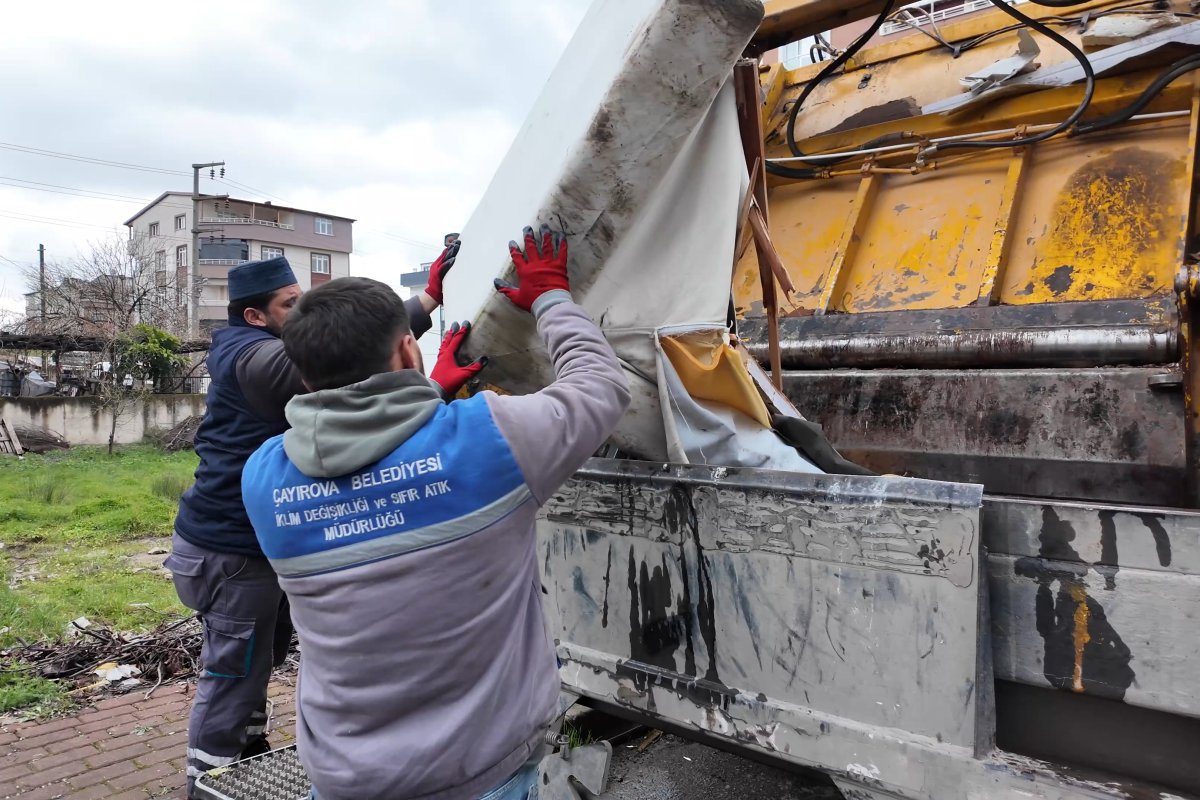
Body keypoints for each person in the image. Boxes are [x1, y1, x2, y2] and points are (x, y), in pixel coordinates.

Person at [241, 224, 631, 800]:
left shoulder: (264, 480)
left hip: (344, 777)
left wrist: (431, 394)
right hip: (479, 773)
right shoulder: (491, 441)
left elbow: (376, 473)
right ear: (408, 349)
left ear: (304, 374)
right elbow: (601, 385)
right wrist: (550, 295)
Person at [166, 244, 469, 800]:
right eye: (290, 304)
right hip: (229, 554)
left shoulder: (258, 345)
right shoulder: (249, 355)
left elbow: (344, 349)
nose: (303, 310)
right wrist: (427, 382)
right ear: (255, 316)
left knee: (257, 664)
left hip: (249, 548)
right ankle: (203, 785)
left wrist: (426, 300)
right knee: (232, 678)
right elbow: (337, 356)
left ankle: (244, 758)